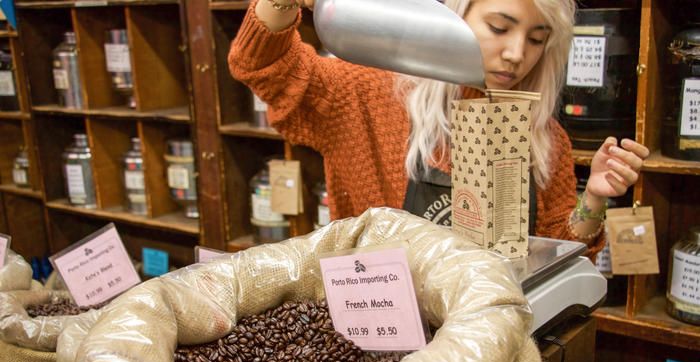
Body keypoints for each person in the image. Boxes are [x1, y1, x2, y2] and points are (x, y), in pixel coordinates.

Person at [229, 0, 650, 257]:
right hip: (377, 323)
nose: (516, 54)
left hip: (487, 336)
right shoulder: (370, 93)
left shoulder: (542, 136)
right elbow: (265, 67)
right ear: (454, 15)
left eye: (537, 39)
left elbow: (559, 247)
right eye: (499, 28)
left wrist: (594, 196)